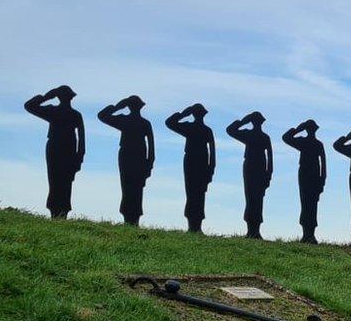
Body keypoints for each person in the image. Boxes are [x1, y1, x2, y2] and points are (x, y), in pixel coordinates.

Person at [24, 85, 85, 219]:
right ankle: (57, 211)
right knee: (58, 181)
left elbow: (81, 139)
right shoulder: (68, 113)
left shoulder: (61, 112)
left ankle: (59, 211)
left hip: (62, 150)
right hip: (59, 150)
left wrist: (46, 97)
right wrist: (79, 157)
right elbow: (82, 140)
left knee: (59, 181)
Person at [97, 95, 154, 226]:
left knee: (133, 188)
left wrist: (118, 107)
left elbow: (151, 147)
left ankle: (133, 219)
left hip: (135, 157)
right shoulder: (136, 122)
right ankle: (129, 218)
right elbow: (102, 116)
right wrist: (150, 162)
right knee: (129, 187)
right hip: (129, 156)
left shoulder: (139, 122)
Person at [165, 103, 215, 233]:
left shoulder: (202, 130)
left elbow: (212, 152)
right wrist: (183, 114)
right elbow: (169, 123)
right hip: (192, 162)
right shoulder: (195, 128)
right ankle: (193, 225)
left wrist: (211, 169)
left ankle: (196, 225)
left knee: (196, 193)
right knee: (193, 193)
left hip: (200, 163)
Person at [227, 112, 273, 239]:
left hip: (257, 169)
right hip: (252, 168)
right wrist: (243, 121)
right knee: (253, 198)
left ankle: (254, 230)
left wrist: (243, 121)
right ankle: (252, 230)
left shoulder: (259, 136)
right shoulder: (258, 136)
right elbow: (230, 130)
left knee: (255, 198)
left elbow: (270, 158)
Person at [283, 120, 326, 244]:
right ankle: (307, 234)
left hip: (312, 177)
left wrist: (298, 129)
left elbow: (323, 164)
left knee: (311, 204)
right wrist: (298, 129)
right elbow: (286, 138)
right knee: (307, 203)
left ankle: (310, 234)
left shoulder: (315, 144)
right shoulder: (307, 142)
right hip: (305, 175)